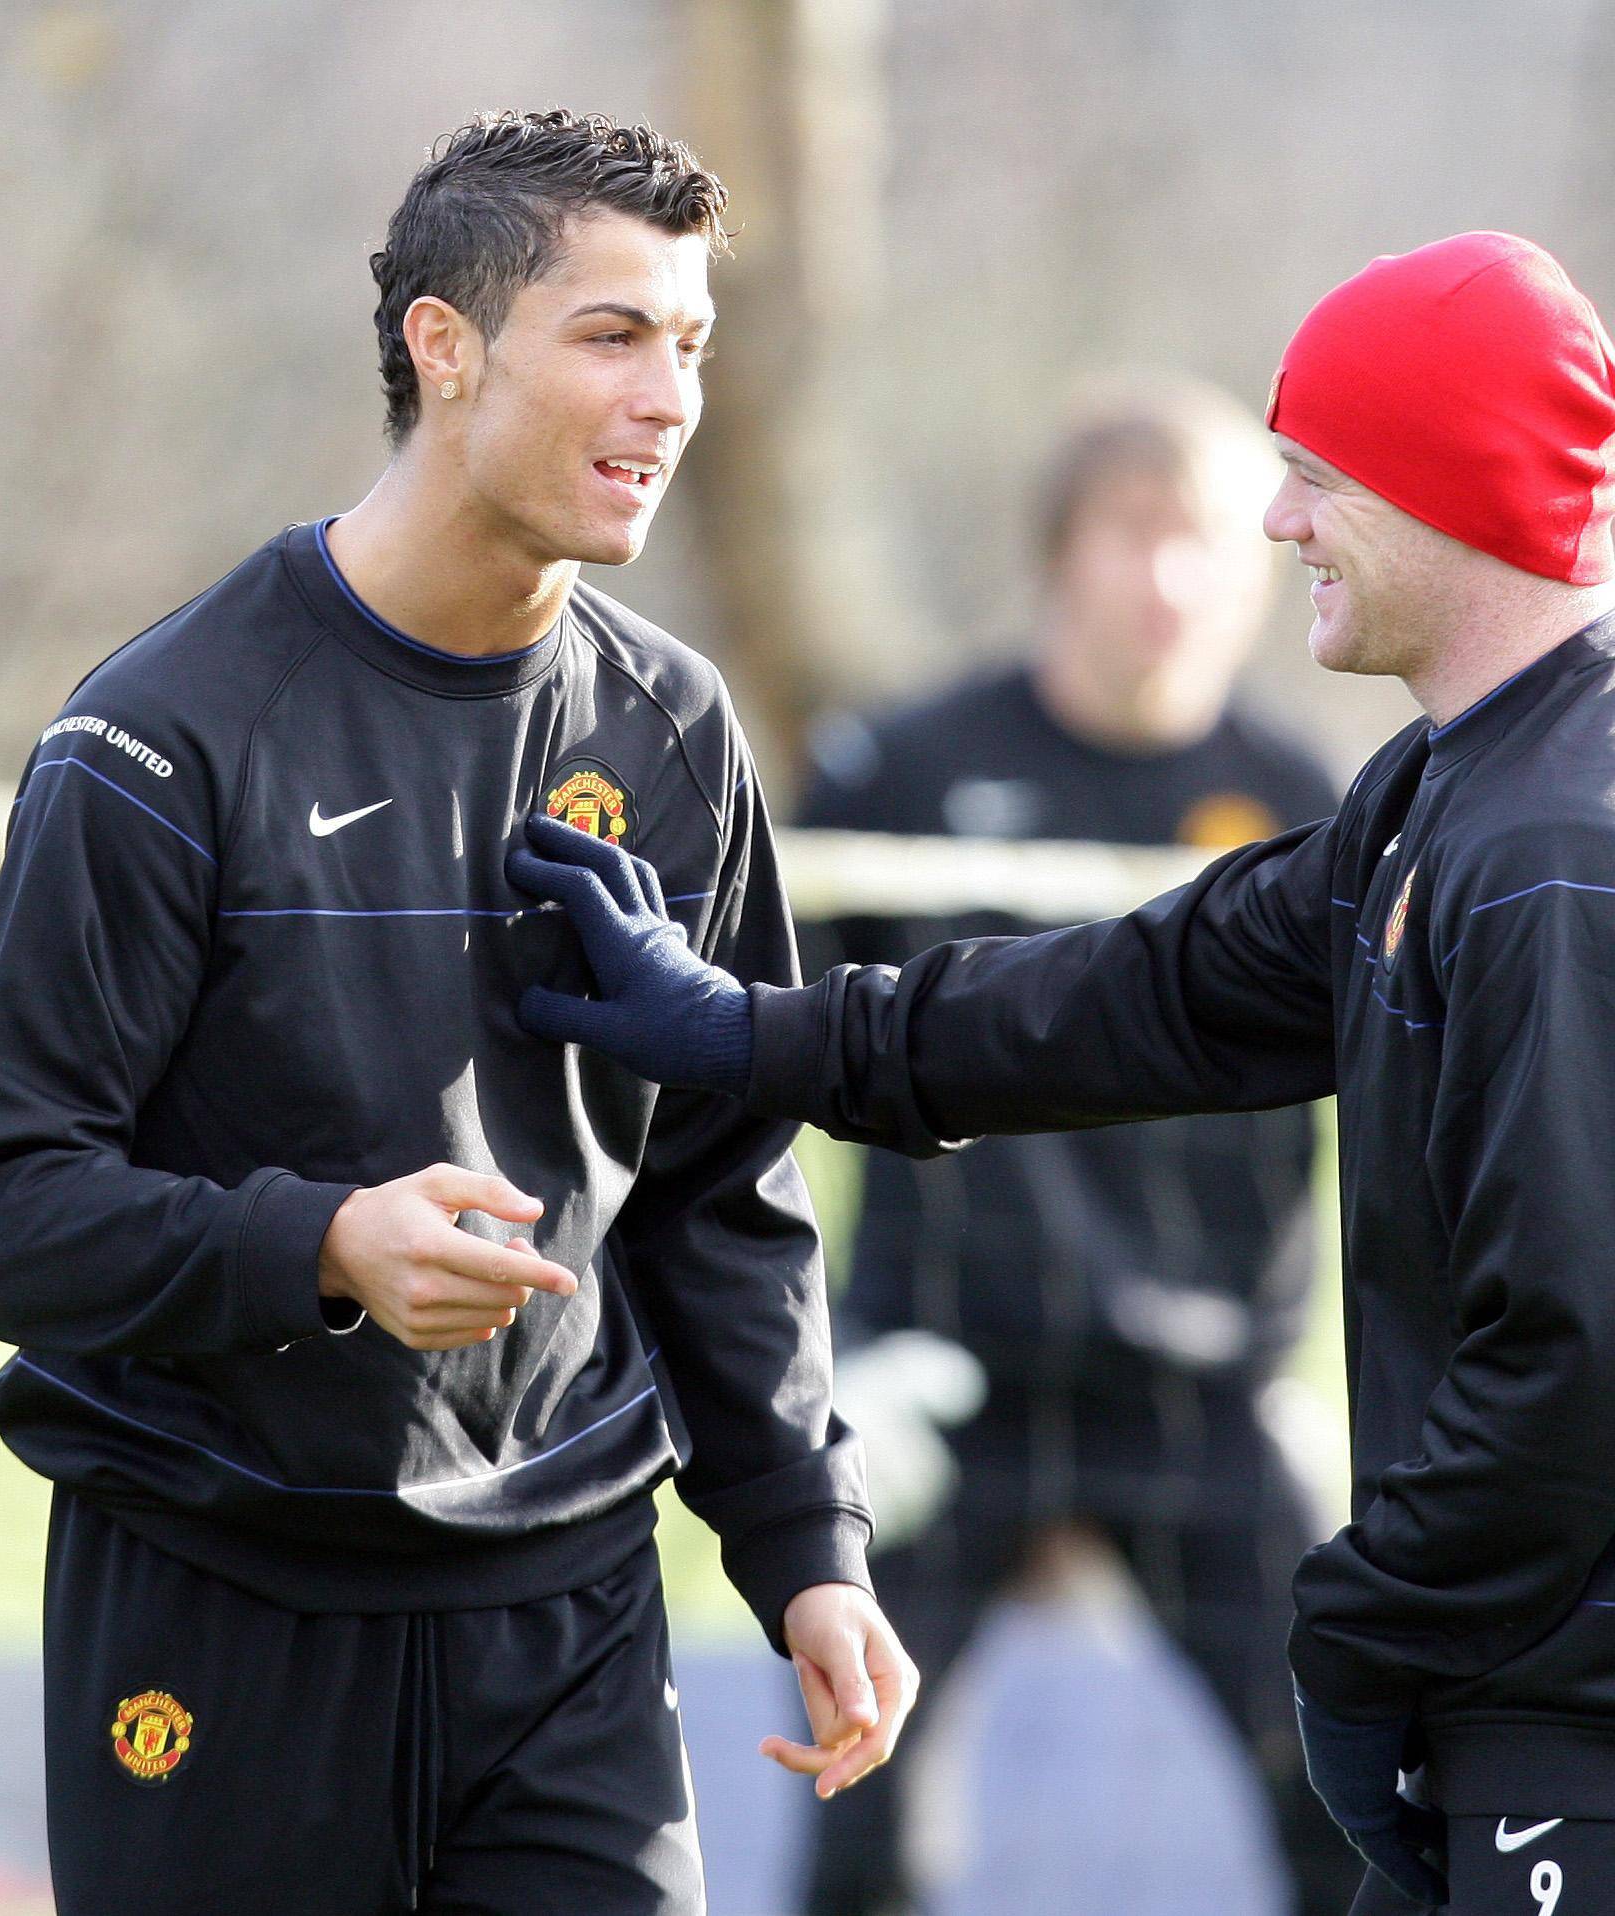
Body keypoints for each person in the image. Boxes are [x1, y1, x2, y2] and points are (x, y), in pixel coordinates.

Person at [510, 231, 1615, 1914]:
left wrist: (1356, 1627)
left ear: (1444, 483)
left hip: (1571, 1714)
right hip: (1479, 1665)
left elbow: (1577, 1353)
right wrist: (745, 1030)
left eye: (1317, 476)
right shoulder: (1434, 803)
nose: (1276, 521)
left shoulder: (1554, 850)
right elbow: (1130, 998)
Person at [0, 109, 914, 1916]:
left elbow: (717, 1194)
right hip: (223, 1595)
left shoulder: (676, 735)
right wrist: (319, 1248)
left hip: (572, 1613)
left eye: (690, 344)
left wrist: (804, 1543)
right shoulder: (163, 740)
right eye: (611, 336)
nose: (669, 400)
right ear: (441, 349)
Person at [792, 376, 1361, 1916]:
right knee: (859, 1817)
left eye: (1205, 542)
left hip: (1201, 1402)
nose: (1169, 579)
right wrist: (811, 1366)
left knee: (1357, 1801)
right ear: (1061, 552)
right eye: (1132, 534)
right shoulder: (894, 778)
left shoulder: (1313, 806)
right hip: (943, 1387)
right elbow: (744, 1069)